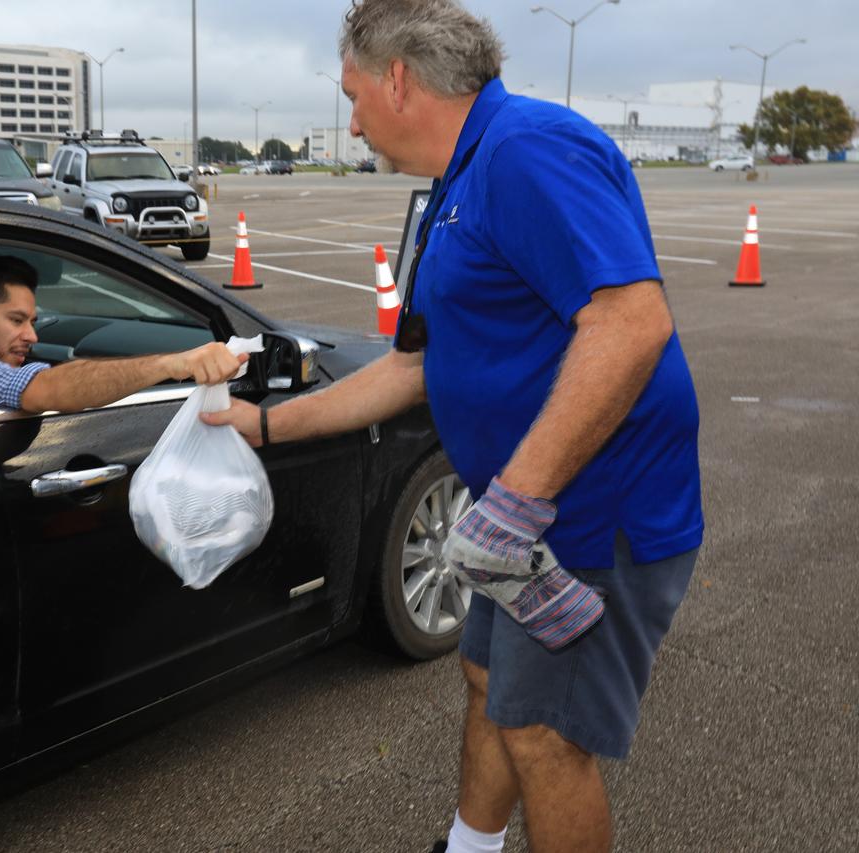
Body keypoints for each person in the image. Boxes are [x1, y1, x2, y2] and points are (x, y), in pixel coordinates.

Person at [201, 2, 703, 851]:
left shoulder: (527, 150)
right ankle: (470, 845)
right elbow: (412, 367)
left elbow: (630, 323)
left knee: (546, 735)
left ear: (398, 78)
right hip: (519, 530)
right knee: (485, 680)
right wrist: (270, 425)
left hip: (587, 520)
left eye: (354, 95)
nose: (351, 120)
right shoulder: (458, 183)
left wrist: (518, 500)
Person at [0, 255, 244, 413]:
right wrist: (173, 364)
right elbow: (46, 389)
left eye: (33, 322)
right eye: (16, 320)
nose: (32, 336)